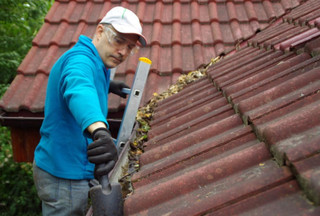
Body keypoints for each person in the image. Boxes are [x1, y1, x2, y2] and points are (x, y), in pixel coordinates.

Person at [32, 6, 147, 216]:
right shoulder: (80, 60)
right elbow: (79, 88)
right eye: (118, 40)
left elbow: (88, 84)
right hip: (63, 174)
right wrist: (100, 132)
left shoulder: (98, 63)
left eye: (130, 47)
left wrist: (106, 86)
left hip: (77, 166)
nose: (123, 52)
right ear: (100, 32)